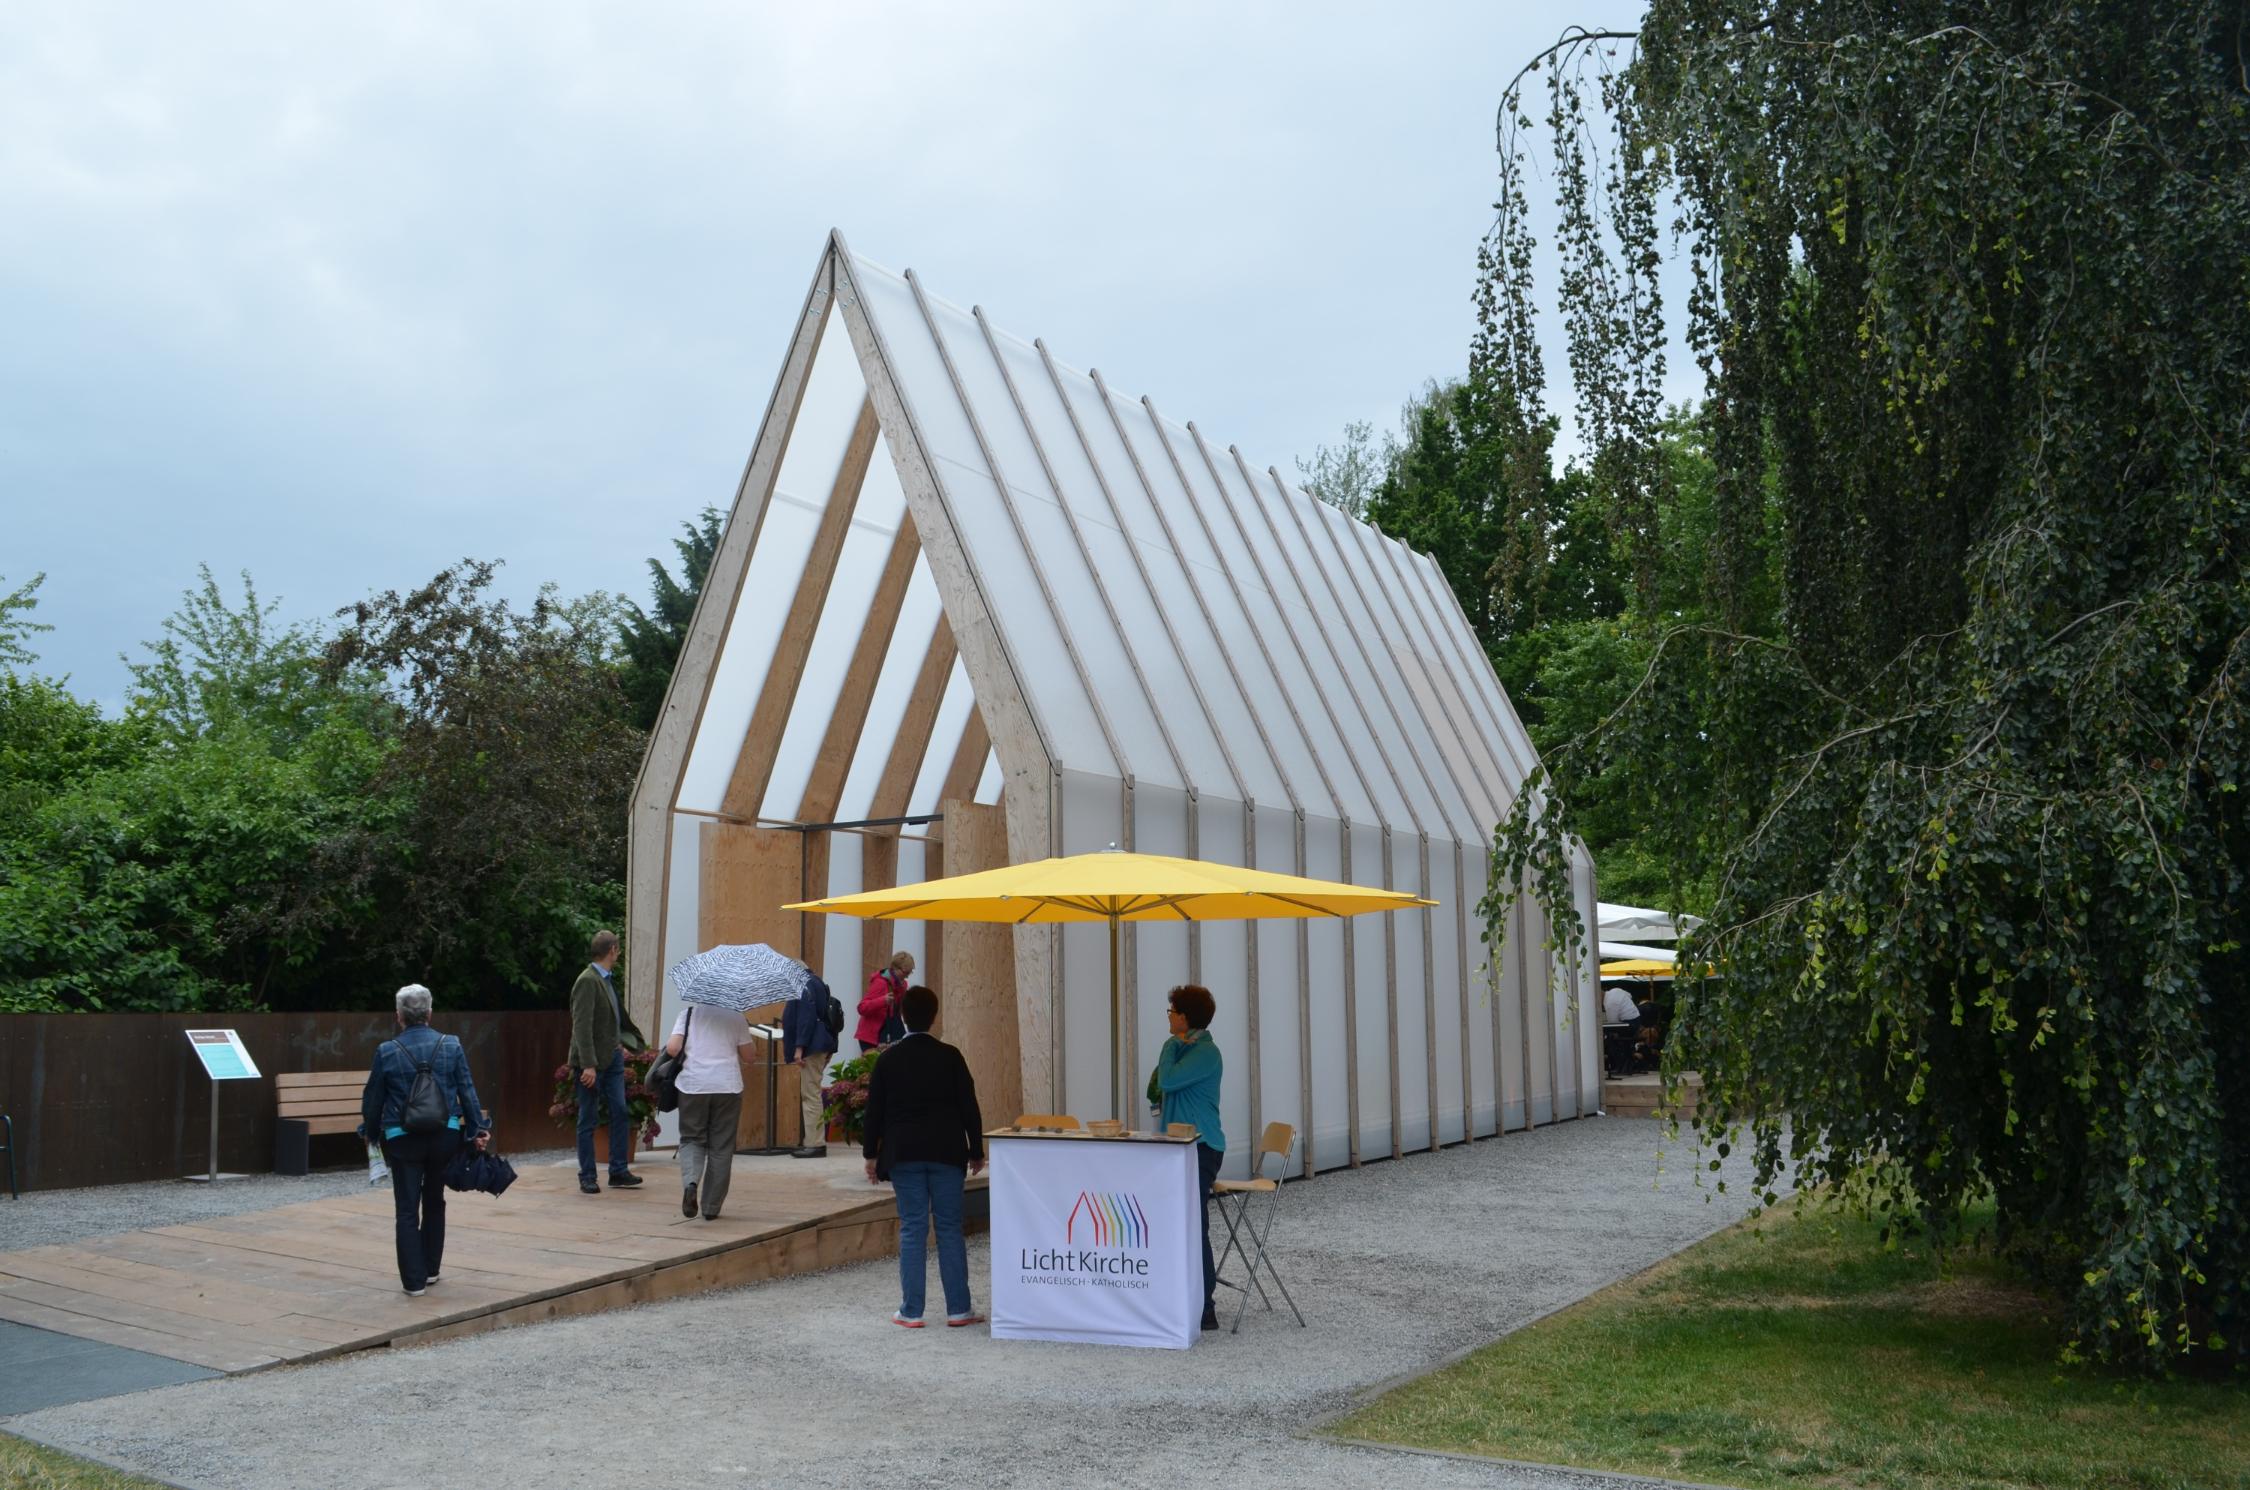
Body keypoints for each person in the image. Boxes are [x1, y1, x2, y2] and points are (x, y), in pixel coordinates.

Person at [861, 984, 985, 1329]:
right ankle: (959, 1309)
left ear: (902, 1016)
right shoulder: (951, 1056)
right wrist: (976, 1151)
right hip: (947, 1151)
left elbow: (874, 1112)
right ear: (934, 1017)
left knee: (913, 1228)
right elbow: (968, 1107)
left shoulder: (888, 1059)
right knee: (949, 1228)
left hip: (904, 1153)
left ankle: (911, 1310)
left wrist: (870, 1154)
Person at [360, 984, 490, 1297]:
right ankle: (431, 1269)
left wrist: (370, 1133)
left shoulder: (386, 1051)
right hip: (444, 1136)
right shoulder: (451, 1045)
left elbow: (373, 1101)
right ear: (429, 1014)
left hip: (403, 1139)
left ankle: (413, 1282)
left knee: (406, 1208)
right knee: (435, 1200)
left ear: (398, 1016)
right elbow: (467, 1091)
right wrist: (477, 1130)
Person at [1152, 983, 1225, 1332]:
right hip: (1179, 1145)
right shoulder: (1184, 1048)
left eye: (1172, 1011)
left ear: (1185, 1017)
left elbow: (1166, 1081)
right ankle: (1177, 1292)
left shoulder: (1204, 1054)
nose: (1168, 1016)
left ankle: (1204, 1304)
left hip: (1202, 1146)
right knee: (1176, 1221)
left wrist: (1169, 1046)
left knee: (1195, 1223)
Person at [663, 1001, 756, 1220]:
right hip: (727, 1086)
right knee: (721, 1147)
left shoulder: (687, 1014)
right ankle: (711, 1207)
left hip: (693, 1085)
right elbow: (750, 1056)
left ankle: (691, 1183)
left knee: (692, 1139)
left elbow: (673, 1048)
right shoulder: (736, 1017)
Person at [569, 929, 646, 1195]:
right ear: (612, 949)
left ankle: (618, 1171)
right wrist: (588, 1064)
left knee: (620, 1112)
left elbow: (610, 1020)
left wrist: (623, 1043)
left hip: (612, 1058)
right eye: (618, 948)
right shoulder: (587, 981)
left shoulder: (607, 979)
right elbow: (582, 1026)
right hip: (592, 1063)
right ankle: (587, 1176)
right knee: (588, 1119)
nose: (619, 953)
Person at [782, 969, 840, 1158]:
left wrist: (799, 1047)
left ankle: (815, 1143)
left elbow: (806, 1017)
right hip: (822, 1044)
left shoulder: (803, 984)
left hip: (812, 1048)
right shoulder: (817, 982)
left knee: (810, 1095)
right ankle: (813, 1140)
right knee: (812, 1092)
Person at [856, 950, 913, 1059]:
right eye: (905, 972)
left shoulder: (902, 985)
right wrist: (882, 1001)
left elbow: (898, 1011)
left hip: (891, 1035)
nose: (906, 977)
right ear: (895, 968)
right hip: (872, 1038)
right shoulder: (880, 983)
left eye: (909, 973)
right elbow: (862, 1008)